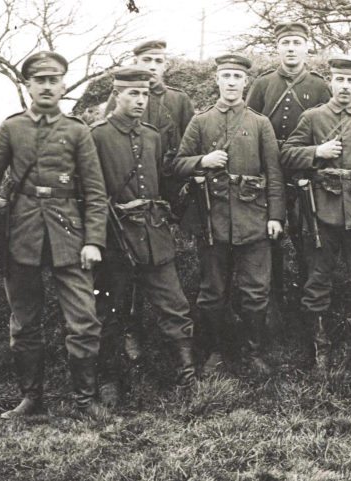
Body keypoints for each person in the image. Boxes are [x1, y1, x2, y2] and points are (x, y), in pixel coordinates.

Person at [0, 51, 109, 419]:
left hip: (70, 237)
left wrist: (94, 240)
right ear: (29, 85)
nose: (47, 86)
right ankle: (32, 401)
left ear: (63, 85)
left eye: (54, 80)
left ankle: (86, 402)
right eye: (40, 80)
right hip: (21, 236)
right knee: (24, 323)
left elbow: (95, 192)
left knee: (84, 321)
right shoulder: (11, 128)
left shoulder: (77, 130)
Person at [280, 54, 351, 380]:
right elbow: (286, 155)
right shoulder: (312, 117)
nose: (345, 86)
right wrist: (316, 152)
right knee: (317, 282)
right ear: (330, 82)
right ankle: (321, 351)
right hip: (322, 215)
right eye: (340, 80)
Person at [90, 67, 197, 407]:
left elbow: (162, 182)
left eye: (144, 94)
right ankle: (109, 378)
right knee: (108, 311)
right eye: (132, 94)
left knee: (174, 304)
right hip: (115, 237)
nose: (140, 100)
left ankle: (186, 374)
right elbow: (90, 192)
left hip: (153, 233)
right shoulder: (97, 136)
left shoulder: (151, 136)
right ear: (116, 95)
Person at [174, 54, 285, 377]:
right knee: (212, 292)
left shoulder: (259, 123)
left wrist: (275, 216)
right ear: (217, 80)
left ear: (246, 82)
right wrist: (202, 161)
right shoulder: (201, 121)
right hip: (213, 219)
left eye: (238, 76)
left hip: (254, 218)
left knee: (256, 291)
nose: (232, 82)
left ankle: (253, 352)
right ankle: (215, 352)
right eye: (226, 76)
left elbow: (274, 173)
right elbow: (177, 163)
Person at [105, 40, 195, 361]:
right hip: (123, 210)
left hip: (161, 200)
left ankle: (181, 359)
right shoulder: (110, 115)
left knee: (165, 280)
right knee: (119, 284)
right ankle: (128, 337)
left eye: (158, 60)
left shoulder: (176, 103)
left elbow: (184, 149)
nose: (153, 66)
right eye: (147, 60)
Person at [246, 22, 331, 304]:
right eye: (285, 43)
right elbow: (248, 125)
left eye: (297, 42)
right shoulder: (263, 83)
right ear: (277, 47)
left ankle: (307, 297)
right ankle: (273, 297)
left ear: (307, 47)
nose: (291, 48)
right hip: (268, 168)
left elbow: (328, 128)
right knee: (269, 233)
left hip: (304, 170)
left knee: (307, 233)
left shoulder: (319, 85)